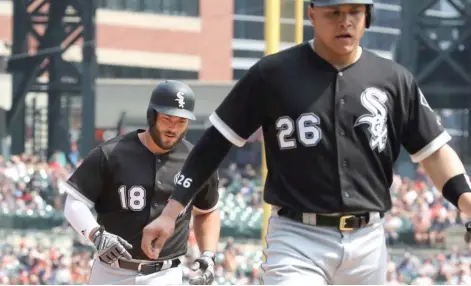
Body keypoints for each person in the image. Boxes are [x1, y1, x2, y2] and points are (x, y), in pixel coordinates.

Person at [141, 0, 471, 284]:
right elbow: (213, 145)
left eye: (355, 11)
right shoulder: (272, 74)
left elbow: (433, 151)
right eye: (334, 12)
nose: (346, 21)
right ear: (311, 14)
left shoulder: (394, 79)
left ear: (367, 15)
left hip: (368, 240)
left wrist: (467, 202)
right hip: (298, 236)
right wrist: (171, 212)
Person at [60, 80, 220, 285]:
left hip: (165, 274)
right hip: (111, 271)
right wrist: (96, 235)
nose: (173, 128)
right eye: (167, 119)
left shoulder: (197, 162)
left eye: (181, 121)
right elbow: (74, 202)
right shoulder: (111, 153)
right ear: (151, 116)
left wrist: (208, 254)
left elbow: (207, 211)